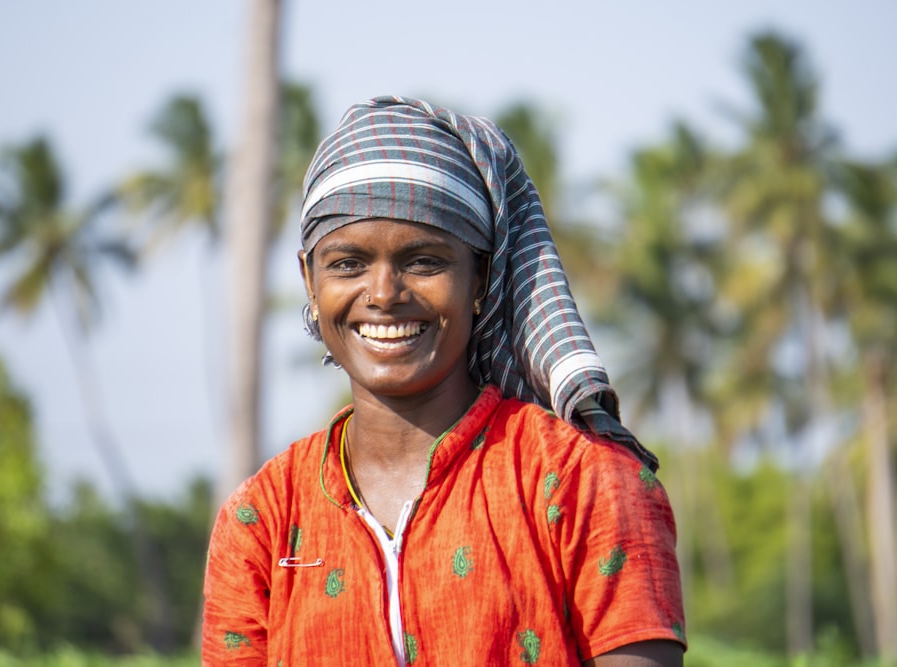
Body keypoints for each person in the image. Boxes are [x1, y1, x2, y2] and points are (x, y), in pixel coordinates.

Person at [202, 96, 685, 666]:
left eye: (424, 261)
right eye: (347, 264)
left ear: (480, 276)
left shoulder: (585, 483)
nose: (383, 293)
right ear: (309, 278)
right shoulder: (262, 519)